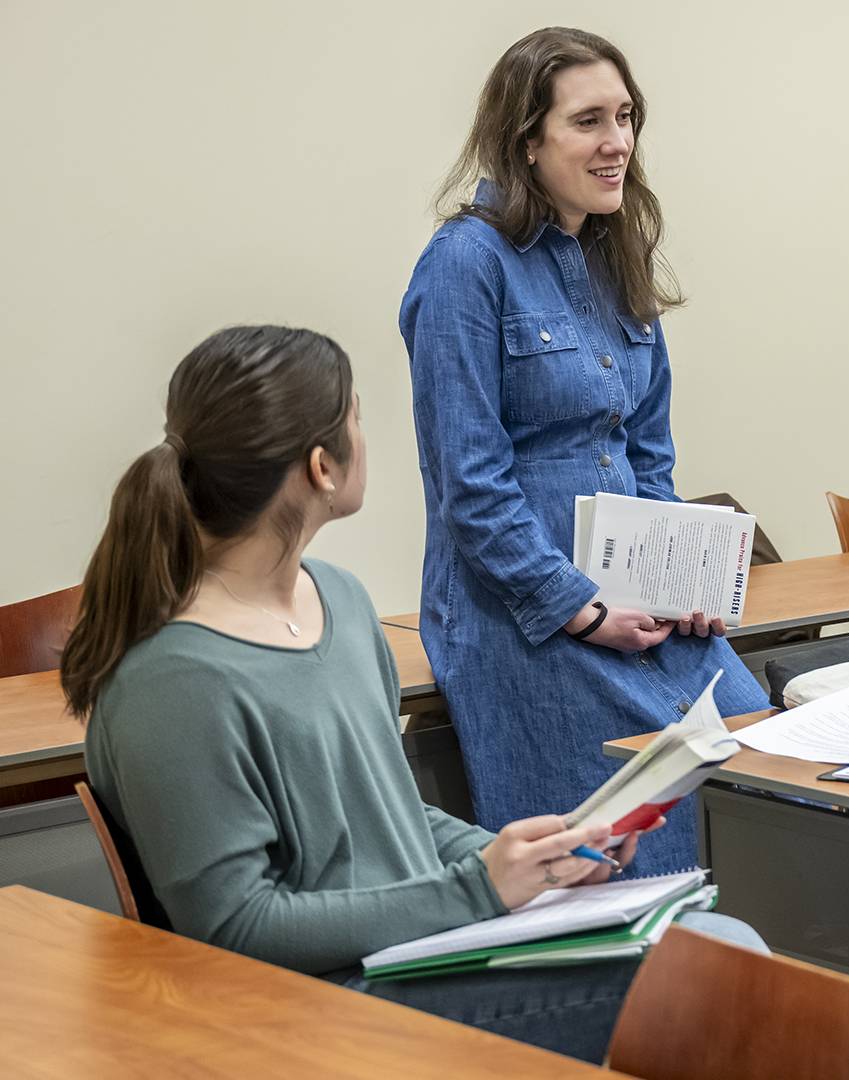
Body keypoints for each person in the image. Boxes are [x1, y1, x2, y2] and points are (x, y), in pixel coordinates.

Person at [60, 326, 762, 1061]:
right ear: (322, 466)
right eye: (358, 418)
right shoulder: (171, 685)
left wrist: (533, 859)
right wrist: (481, 889)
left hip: (427, 947)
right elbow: (234, 929)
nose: (369, 437)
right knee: (718, 970)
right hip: (324, 1000)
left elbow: (386, 810)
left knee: (718, 951)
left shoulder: (337, 599)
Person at [400, 28, 767, 869]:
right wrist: (579, 607)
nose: (618, 143)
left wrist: (685, 584)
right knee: (637, 849)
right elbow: (470, 483)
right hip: (528, 615)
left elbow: (647, 456)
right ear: (526, 141)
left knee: (763, 767)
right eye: (588, 121)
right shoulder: (464, 264)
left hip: (635, 607)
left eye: (627, 117)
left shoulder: (613, 256)